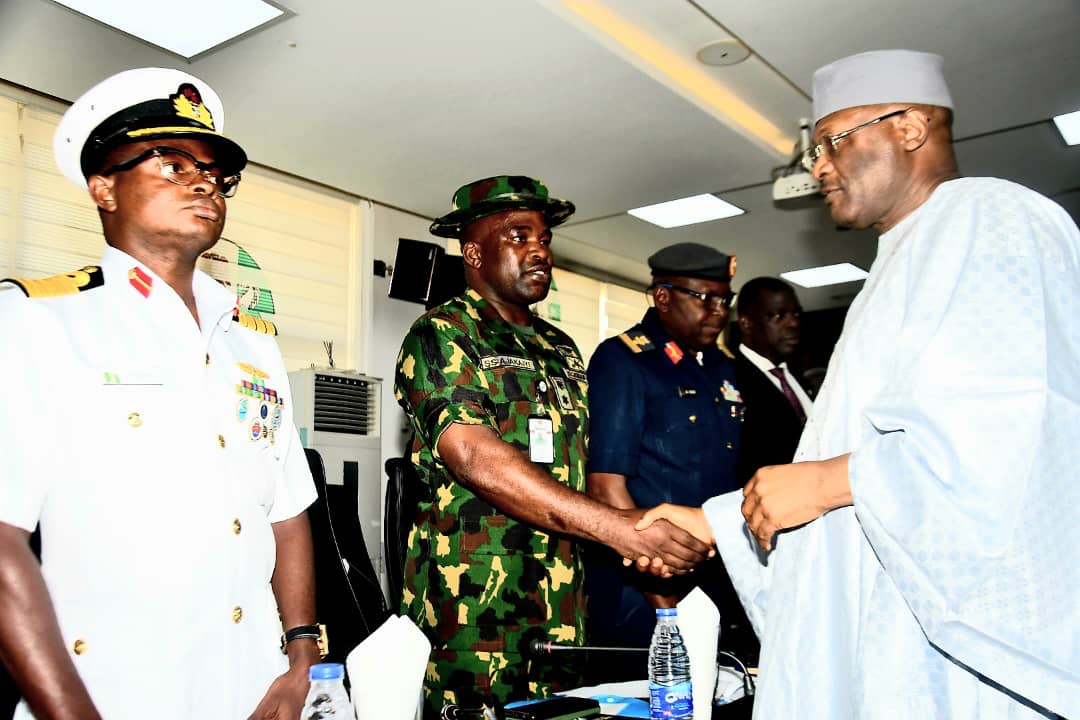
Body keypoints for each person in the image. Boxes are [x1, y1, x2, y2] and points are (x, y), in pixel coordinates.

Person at [637, 49, 1080, 718]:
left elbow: (1014, 436)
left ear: (909, 128)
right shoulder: (903, 259)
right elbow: (852, 460)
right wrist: (714, 522)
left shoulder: (990, 218)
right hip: (895, 632)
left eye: (832, 143)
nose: (817, 168)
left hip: (959, 659)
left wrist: (821, 481)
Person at [0, 68, 320, 720]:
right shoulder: (35, 320)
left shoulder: (252, 345)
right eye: (170, 164)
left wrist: (302, 657)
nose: (204, 181)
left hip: (255, 689)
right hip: (113, 695)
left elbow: (286, 514)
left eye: (214, 173)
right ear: (103, 187)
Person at [394, 176, 712, 715]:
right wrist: (619, 531)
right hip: (476, 613)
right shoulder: (442, 333)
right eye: (518, 236)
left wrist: (641, 538)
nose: (538, 248)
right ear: (473, 252)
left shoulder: (559, 346)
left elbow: (582, 467)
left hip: (564, 605)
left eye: (543, 237)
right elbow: (474, 456)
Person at [584, 242, 756, 674]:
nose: (719, 311)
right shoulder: (624, 361)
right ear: (663, 296)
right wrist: (663, 600)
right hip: (644, 590)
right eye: (706, 298)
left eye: (725, 300)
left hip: (715, 582)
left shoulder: (722, 366)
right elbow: (606, 485)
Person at [732, 277, 811, 485]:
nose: (793, 323)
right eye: (778, 316)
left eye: (795, 314)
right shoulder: (730, 379)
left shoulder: (799, 380)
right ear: (747, 323)